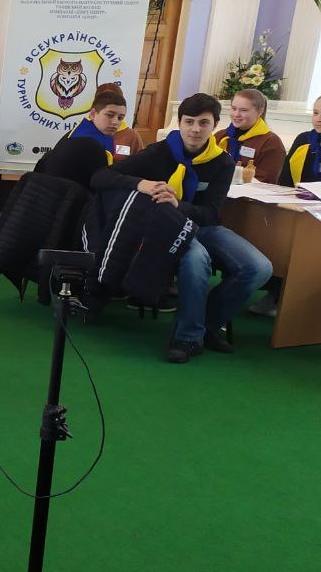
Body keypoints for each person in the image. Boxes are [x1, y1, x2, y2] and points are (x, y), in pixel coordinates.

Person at [91, 93, 272, 363]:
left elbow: (210, 214)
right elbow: (100, 176)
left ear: (215, 125)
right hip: (165, 227)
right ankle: (187, 337)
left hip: (201, 225)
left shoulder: (222, 162)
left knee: (259, 267)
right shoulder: (159, 152)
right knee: (196, 259)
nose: (195, 129)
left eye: (203, 123)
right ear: (180, 123)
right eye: (189, 122)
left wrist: (178, 204)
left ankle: (206, 325)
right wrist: (141, 184)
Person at [34, 83, 143, 188]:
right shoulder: (84, 140)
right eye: (110, 115)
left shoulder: (104, 133)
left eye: (120, 117)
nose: (115, 122)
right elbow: (99, 181)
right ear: (93, 113)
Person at [214, 88, 286, 183]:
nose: (236, 114)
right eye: (234, 108)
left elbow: (266, 181)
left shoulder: (271, 142)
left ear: (260, 111)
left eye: (244, 110)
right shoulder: (220, 136)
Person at [279, 93, 321, 185]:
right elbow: (285, 177)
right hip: (298, 193)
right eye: (316, 113)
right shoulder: (304, 139)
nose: (318, 119)